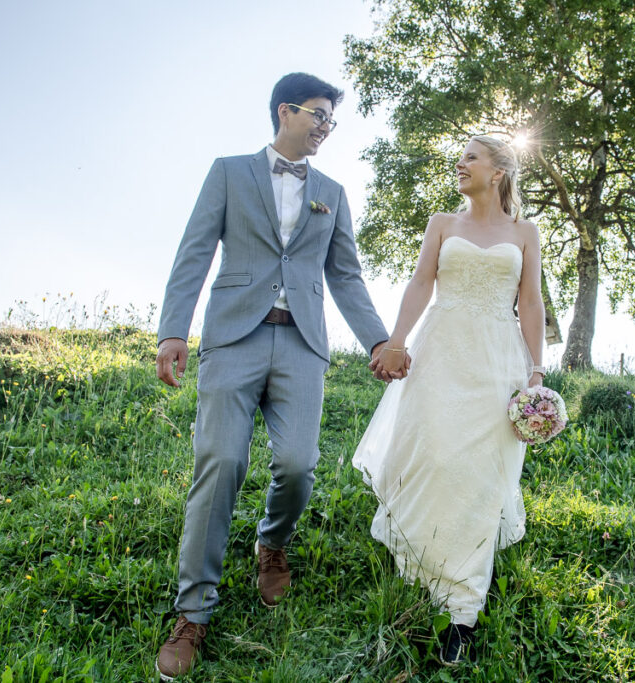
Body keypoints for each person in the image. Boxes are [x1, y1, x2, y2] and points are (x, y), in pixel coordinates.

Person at [153, 72, 406, 680]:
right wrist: (172, 330)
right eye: (318, 115)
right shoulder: (229, 171)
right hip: (233, 337)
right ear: (284, 111)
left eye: (331, 121)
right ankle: (194, 612)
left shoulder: (333, 192)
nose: (325, 128)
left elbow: (345, 275)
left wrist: (379, 338)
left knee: (296, 463)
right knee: (219, 461)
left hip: (301, 344)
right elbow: (194, 251)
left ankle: (272, 543)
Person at [352, 135, 546, 665]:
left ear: (499, 171)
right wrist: (396, 342)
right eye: (459, 157)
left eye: (470, 158)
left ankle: (462, 609)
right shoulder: (442, 223)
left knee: (483, 473)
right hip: (440, 352)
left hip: (496, 361)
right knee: (433, 456)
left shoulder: (524, 233)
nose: (459, 165)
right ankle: (422, 559)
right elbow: (420, 283)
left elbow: (530, 302)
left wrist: (536, 370)